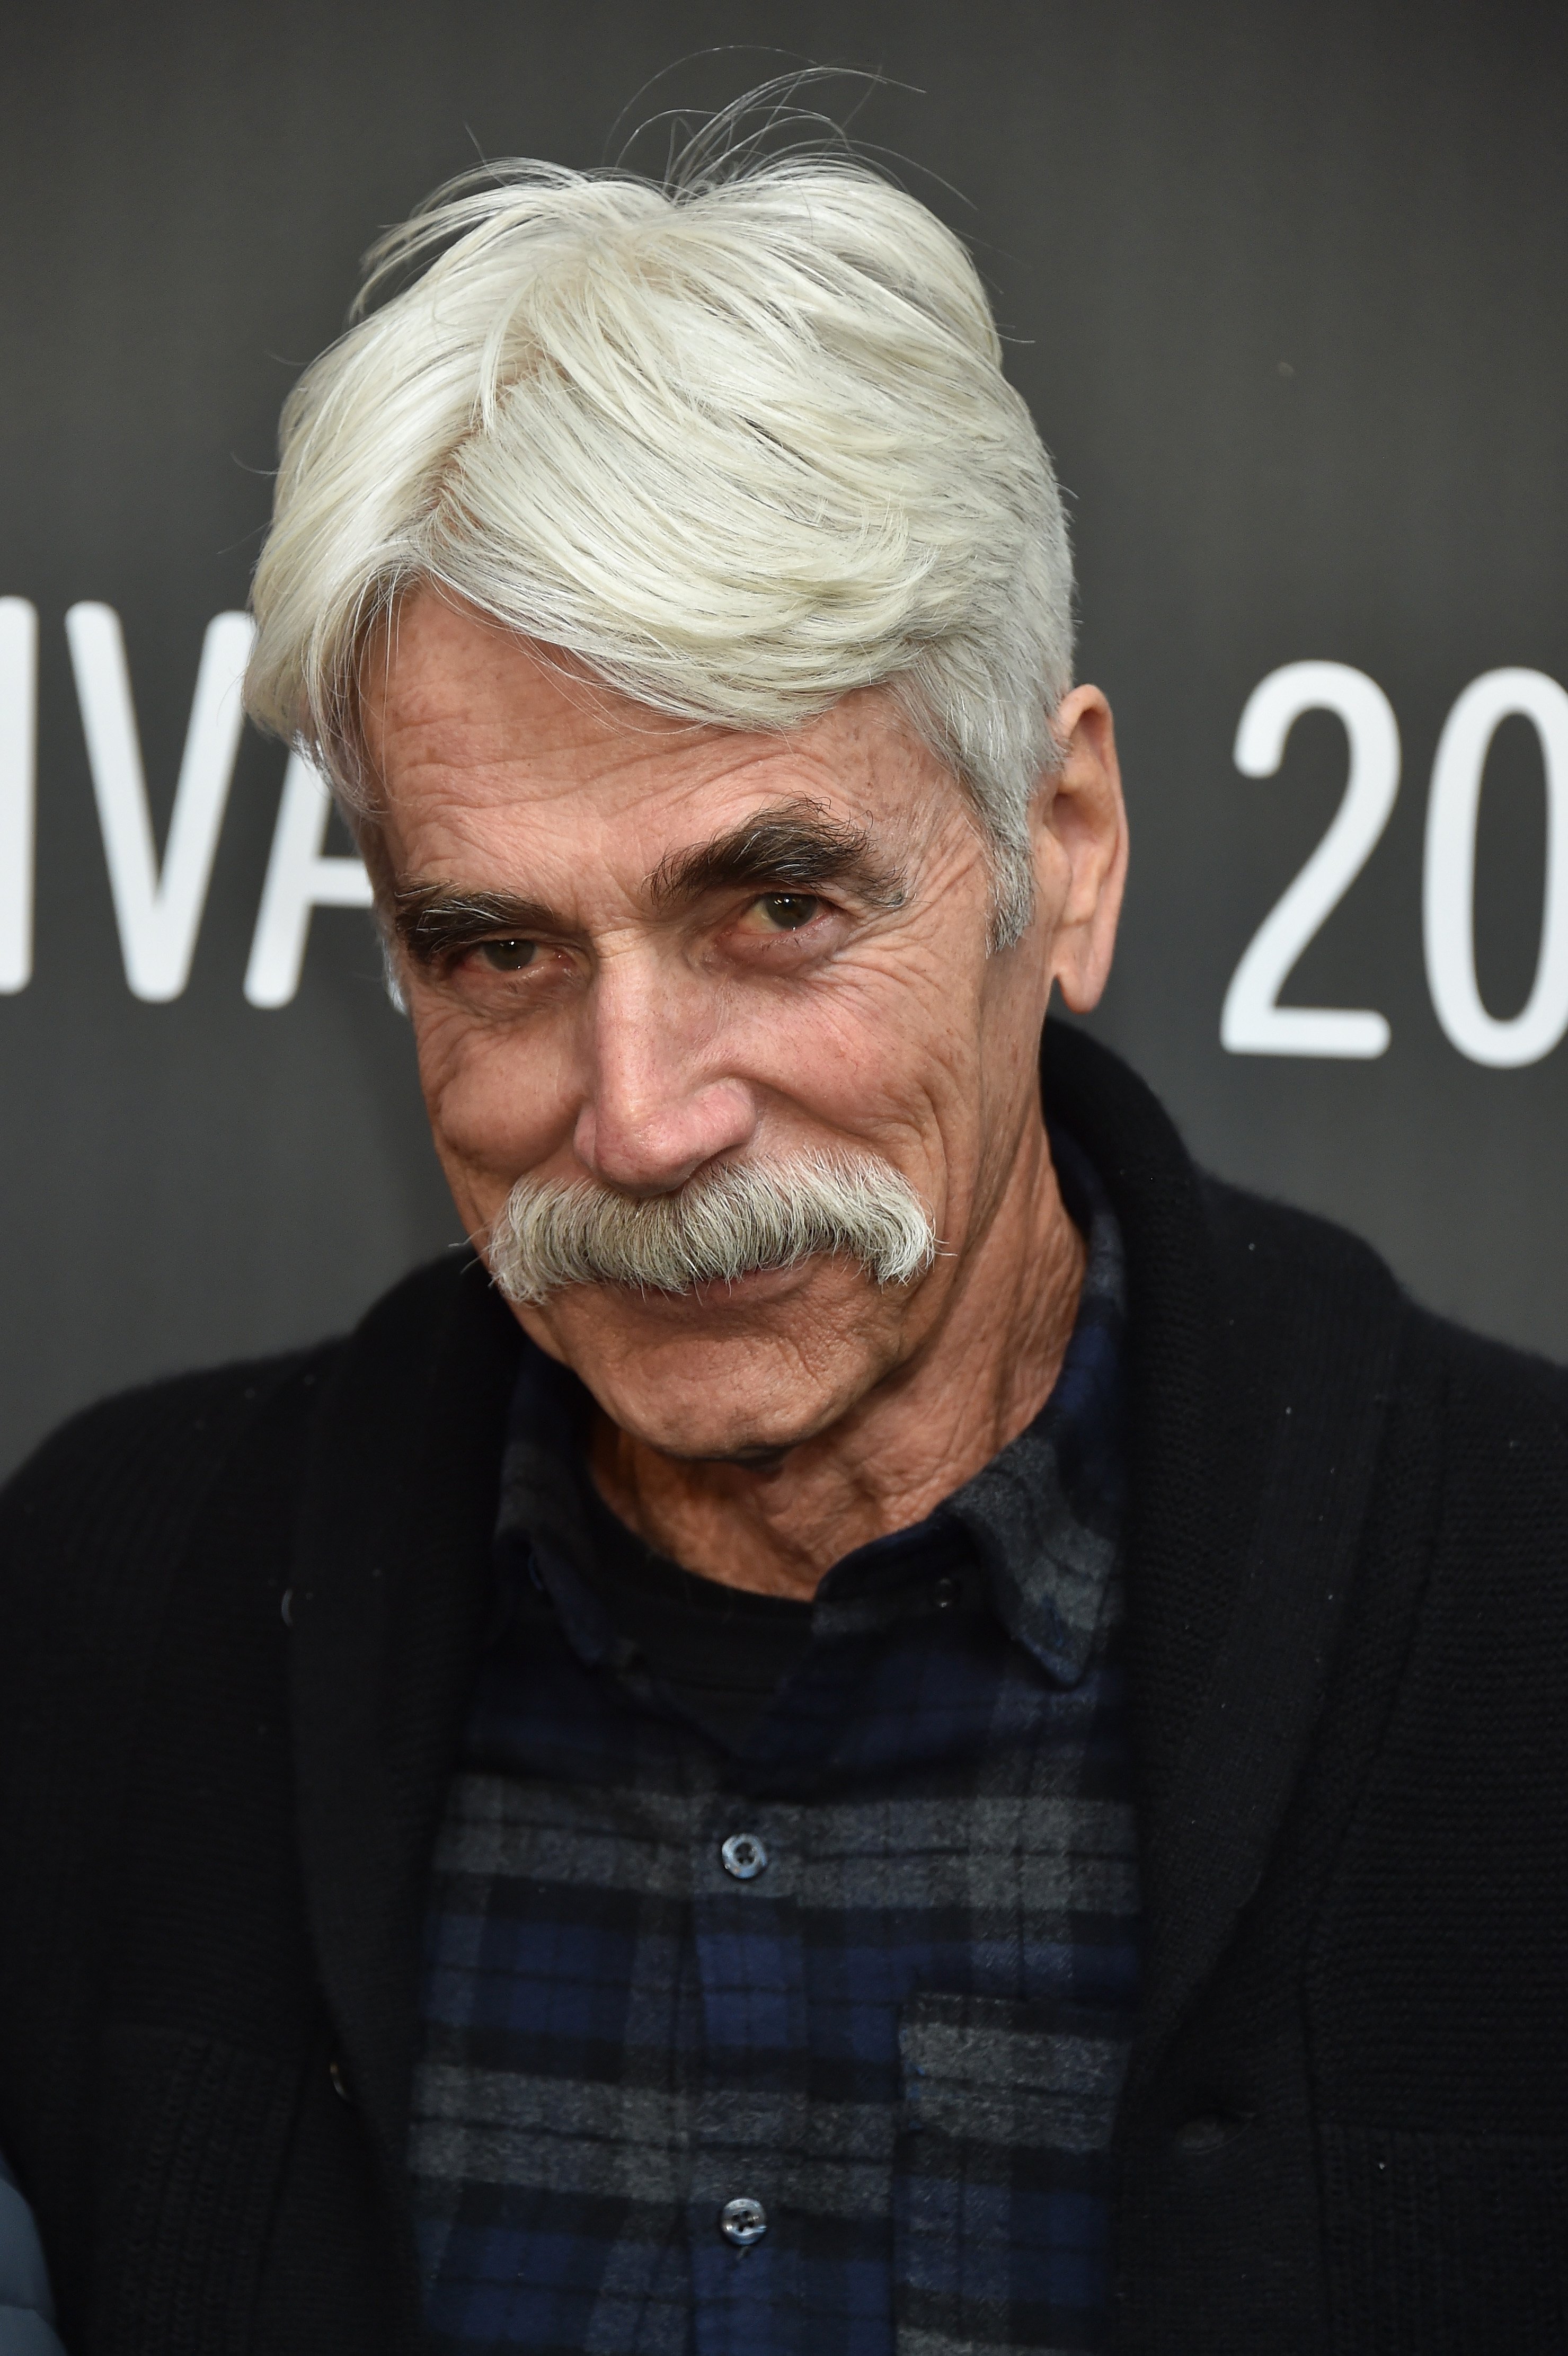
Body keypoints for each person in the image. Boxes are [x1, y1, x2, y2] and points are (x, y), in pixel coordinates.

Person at [1, 110, 1565, 2356]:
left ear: (1066, 848)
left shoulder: (1520, 1622)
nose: (636, 1120)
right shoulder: (108, 1607)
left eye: (776, 902)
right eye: (496, 951)